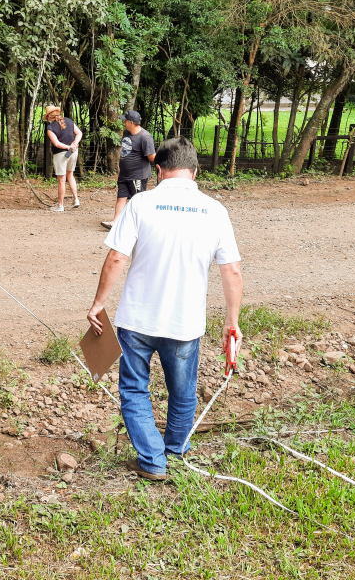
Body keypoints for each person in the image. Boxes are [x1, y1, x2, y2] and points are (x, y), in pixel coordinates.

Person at [86, 136, 243, 481]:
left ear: (158, 170)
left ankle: (153, 461)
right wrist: (232, 323)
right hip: (185, 324)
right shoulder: (216, 210)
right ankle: (175, 449)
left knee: (133, 389)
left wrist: (99, 304)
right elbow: (231, 269)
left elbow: (117, 257)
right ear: (195, 171)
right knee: (183, 391)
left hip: (137, 320)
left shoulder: (141, 204)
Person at [101, 110, 155, 229]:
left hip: (138, 175)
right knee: (121, 197)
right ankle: (115, 222)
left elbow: (151, 156)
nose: (123, 122)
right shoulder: (126, 132)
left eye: (125, 120)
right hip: (124, 173)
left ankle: (141, 224)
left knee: (138, 200)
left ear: (131, 122)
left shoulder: (145, 137)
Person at [44, 105, 83, 212]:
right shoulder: (68, 121)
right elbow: (79, 133)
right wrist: (74, 144)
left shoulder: (50, 128)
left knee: (62, 180)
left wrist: (68, 147)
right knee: (70, 175)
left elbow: (56, 144)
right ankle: (76, 200)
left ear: (48, 117)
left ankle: (60, 205)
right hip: (73, 152)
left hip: (61, 154)